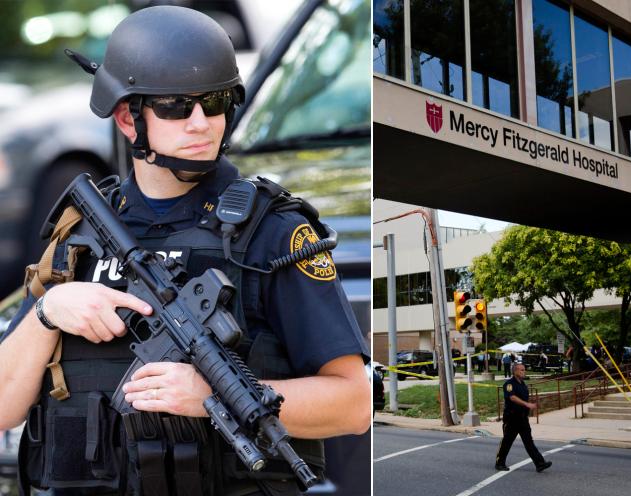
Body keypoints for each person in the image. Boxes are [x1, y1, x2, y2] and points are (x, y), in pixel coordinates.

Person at [0, 6, 370, 496]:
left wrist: (209, 394)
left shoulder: (273, 231)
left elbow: (354, 404)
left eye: (214, 102)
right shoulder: (78, 237)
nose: (201, 123)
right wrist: (48, 311)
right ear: (128, 118)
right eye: (176, 105)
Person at [495, 363, 552, 473]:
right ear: (515, 371)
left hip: (522, 418)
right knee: (507, 441)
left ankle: (540, 463)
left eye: (524, 370)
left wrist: (528, 408)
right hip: (512, 418)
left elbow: (523, 398)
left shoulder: (523, 384)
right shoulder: (509, 384)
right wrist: (527, 404)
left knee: (529, 442)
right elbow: (512, 397)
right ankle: (499, 463)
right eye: (521, 370)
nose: (523, 372)